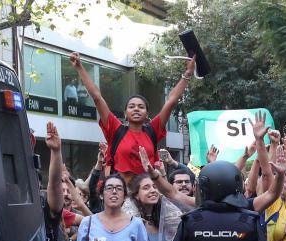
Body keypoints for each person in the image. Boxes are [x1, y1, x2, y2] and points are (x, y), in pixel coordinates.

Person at [70, 51, 194, 181]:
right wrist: (79, 67)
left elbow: (171, 101)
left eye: (141, 107)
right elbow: (97, 97)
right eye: (131, 106)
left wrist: (188, 73)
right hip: (121, 194)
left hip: (148, 194)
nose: (136, 109)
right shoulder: (115, 129)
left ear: (147, 114)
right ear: (125, 114)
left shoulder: (153, 130)